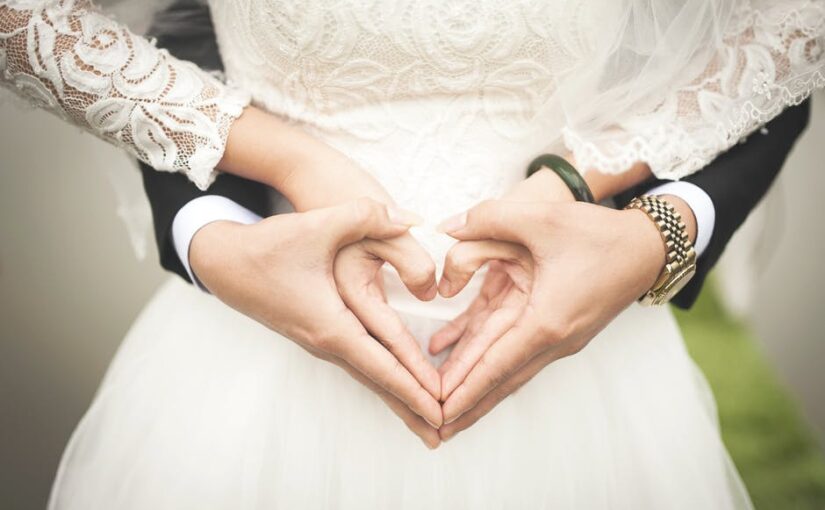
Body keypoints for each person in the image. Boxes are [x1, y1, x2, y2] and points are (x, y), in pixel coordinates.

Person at [0, 1, 822, 508]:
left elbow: (791, 23)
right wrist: (281, 166)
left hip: (579, 361)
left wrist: (613, 208)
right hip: (258, 361)